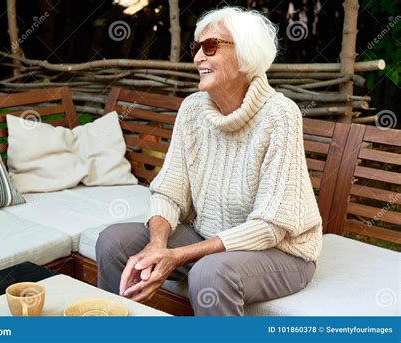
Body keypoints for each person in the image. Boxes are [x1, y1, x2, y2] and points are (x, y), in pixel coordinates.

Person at [95, 7, 322, 316]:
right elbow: (170, 191)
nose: (198, 57)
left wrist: (178, 255)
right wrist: (159, 245)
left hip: (280, 252)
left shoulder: (279, 115)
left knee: (210, 273)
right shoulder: (192, 110)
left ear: (245, 55)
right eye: (196, 47)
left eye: (210, 46)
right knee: (112, 243)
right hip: (208, 236)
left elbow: (270, 227)